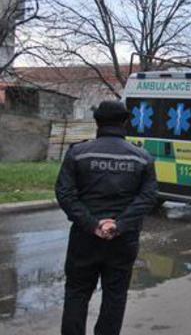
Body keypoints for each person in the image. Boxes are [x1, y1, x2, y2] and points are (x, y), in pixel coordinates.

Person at [55, 100, 157, 335]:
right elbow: (148, 196)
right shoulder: (142, 158)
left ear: (97, 122)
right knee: (115, 295)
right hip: (123, 240)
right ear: (125, 122)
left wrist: (92, 225)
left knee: (77, 293)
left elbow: (64, 193)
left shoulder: (78, 154)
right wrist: (118, 225)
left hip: (84, 238)